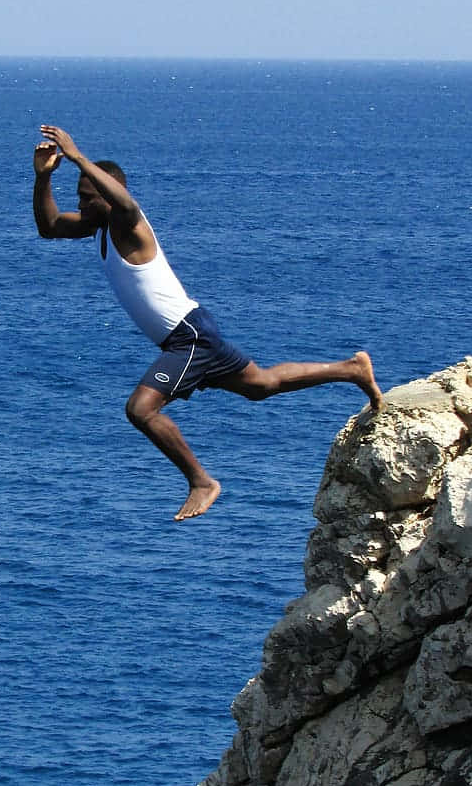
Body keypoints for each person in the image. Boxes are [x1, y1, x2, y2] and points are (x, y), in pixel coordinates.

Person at [33, 124, 383, 521]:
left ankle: (201, 481)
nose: (82, 205)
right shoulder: (97, 226)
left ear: (108, 192)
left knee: (140, 410)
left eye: (89, 197)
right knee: (260, 385)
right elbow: (48, 227)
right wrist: (43, 177)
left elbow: (126, 203)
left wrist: (79, 157)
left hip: (188, 338)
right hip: (193, 333)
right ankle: (351, 369)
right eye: (80, 197)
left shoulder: (128, 223)